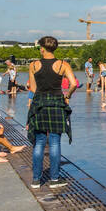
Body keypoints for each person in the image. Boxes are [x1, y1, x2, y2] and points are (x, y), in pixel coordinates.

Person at [26, 36, 77, 189]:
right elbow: (74, 84)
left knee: (40, 142)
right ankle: (54, 179)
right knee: (55, 141)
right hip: (56, 104)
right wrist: (67, 95)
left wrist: (41, 94)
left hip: (40, 104)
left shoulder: (34, 65)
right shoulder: (63, 64)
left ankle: (36, 180)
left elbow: (33, 89)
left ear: (42, 48)